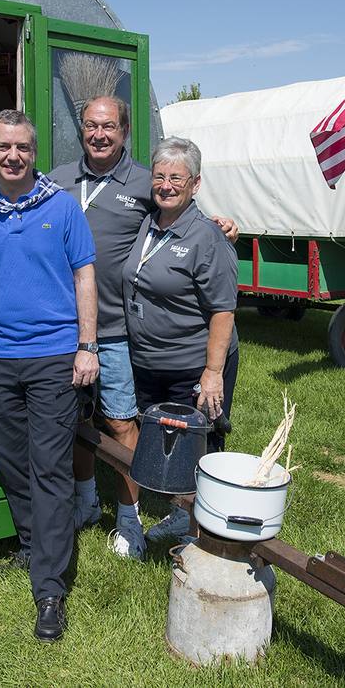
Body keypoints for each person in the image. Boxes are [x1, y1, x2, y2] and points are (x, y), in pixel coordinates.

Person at [48, 96, 237, 562]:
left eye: (109, 126)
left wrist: (223, 229)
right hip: (63, 329)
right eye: (91, 125)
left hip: (116, 332)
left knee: (121, 423)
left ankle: (134, 520)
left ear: (125, 131)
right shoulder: (54, 181)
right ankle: (86, 502)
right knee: (78, 422)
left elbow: (190, 224)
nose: (99, 134)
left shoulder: (144, 183)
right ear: (81, 129)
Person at [0, 109, 98, 643]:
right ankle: (36, 549)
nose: (14, 156)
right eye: (4, 147)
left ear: (34, 153)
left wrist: (86, 346)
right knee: (12, 465)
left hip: (56, 357)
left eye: (24, 148)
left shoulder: (62, 207)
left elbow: (85, 276)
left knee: (50, 469)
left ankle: (50, 590)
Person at [121, 137, 240, 543]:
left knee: (197, 445)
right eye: (159, 176)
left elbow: (223, 310)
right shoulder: (148, 221)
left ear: (196, 184)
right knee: (164, 440)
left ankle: (200, 532)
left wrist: (212, 372)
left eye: (177, 177)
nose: (166, 184)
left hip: (193, 362)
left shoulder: (207, 237)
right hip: (150, 358)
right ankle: (178, 514)